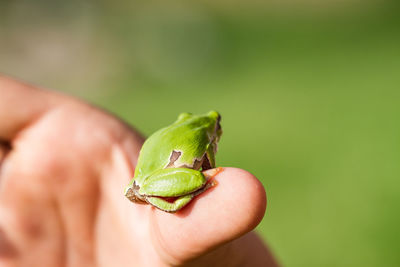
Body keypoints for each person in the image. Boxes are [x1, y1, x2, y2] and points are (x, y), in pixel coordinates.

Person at [0, 76, 278, 266]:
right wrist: (203, 179)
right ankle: (175, 192)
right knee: (197, 178)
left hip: (140, 181)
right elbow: (206, 162)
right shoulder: (205, 132)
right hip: (155, 180)